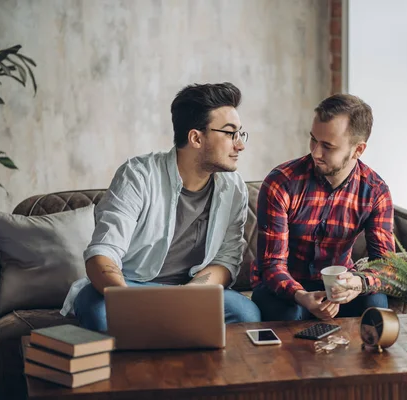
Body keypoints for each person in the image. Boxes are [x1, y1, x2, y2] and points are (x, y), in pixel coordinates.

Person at [60, 82, 261, 331]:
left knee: (246, 314)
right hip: (130, 285)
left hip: (193, 289)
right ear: (196, 138)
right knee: (99, 313)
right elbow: (102, 253)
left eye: (240, 134)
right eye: (231, 134)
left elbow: (226, 259)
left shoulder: (233, 187)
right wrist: (133, 303)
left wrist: (186, 297)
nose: (240, 144)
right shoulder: (138, 175)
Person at [250, 93, 394, 321]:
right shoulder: (281, 183)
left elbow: (388, 266)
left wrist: (357, 283)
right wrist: (300, 295)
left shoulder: (375, 191)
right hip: (283, 287)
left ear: (358, 150)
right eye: (313, 140)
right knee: (293, 313)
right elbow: (271, 265)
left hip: (338, 285)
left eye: (328, 146)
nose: (316, 152)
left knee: (375, 304)